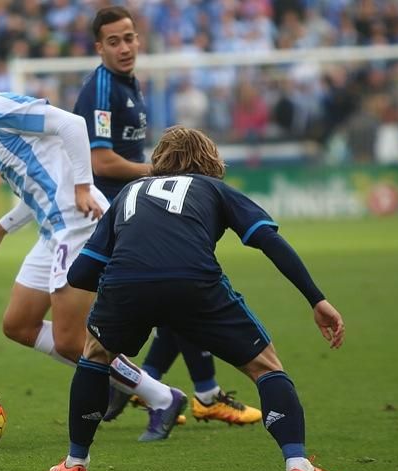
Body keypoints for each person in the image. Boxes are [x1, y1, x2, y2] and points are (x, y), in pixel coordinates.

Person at [48, 126, 345, 471]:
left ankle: (74, 463)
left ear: (157, 161)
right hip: (194, 283)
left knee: (94, 355)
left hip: (125, 286)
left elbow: (79, 274)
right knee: (265, 366)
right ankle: (299, 465)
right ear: (210, 159)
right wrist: (317, 299)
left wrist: (129, 291)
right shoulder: (214, 189)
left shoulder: (129, 192)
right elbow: (269, 241)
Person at [0, 52, 186, 441]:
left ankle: (160, 396)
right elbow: (37, 185)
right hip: (52, 230)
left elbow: (72, 124)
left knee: (70, 340)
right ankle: (113, 373)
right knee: (18, 324)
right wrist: (0, 229)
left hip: (75, 225)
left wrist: (82, 185)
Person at [72, 6, 260, 428]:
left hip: (135, 209)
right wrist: (163, 173)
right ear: (98, 46)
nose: (124, 47)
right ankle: (183, 390)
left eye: (130, 38)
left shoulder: (128, 83)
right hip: (112, 214)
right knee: (178, 290)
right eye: (114, 41)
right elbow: (101, 161)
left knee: (175, 297)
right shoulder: (101, 89)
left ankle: (161, 385)